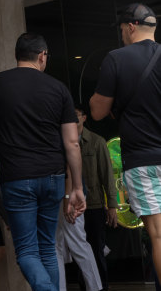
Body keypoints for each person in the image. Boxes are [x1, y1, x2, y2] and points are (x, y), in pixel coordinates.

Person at [0, 32, 86, 291]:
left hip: (16, 178)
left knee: (26, 250)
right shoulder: (59, 89)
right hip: (54, 177)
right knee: (47, 247)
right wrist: (77, 188)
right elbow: (72, 143)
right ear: (42, 56)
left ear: (17, 56)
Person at [90, 2, 161, 279]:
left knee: (157, 236)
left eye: (121, 29)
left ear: (131, 27)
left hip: (142, 160)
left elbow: (97, 111)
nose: (121, 35)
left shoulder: (116, 58)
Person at [75, 103, 117, 291]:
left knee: (96, 251)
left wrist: (112, 206)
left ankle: (102, 287)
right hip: (74, 208)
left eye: (76, 115)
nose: (72, 119)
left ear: (84, 117)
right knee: (78, 253)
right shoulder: (64, 141)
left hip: (94, 205)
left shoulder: (96, 142)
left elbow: (107, 176)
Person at [55, 168, 102, 291]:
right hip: (58, 192)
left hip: (67, 192)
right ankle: (94, 287)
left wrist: (68, 196)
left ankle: (95, 287)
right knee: (56, 247)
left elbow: (69, 164)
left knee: (76, 243)